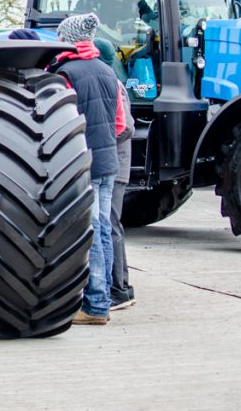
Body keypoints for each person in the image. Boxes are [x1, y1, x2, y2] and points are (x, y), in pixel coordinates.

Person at [49, 13, 126, 326]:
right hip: (108, 162)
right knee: (103, 229)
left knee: (89, 232)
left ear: (66, 39)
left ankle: (94, 306)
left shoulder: (65, 73)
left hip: (83, 163)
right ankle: (103, 300)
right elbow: (120, 124)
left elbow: (57, 123)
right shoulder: (109, 72)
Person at [95, 39, 136, 312]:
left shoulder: (115, 85)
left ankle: (120, 288)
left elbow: (127, 127)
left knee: (110, 225)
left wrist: (102, 141)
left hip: (115, 166)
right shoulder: (112, 81)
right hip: (113, 163)